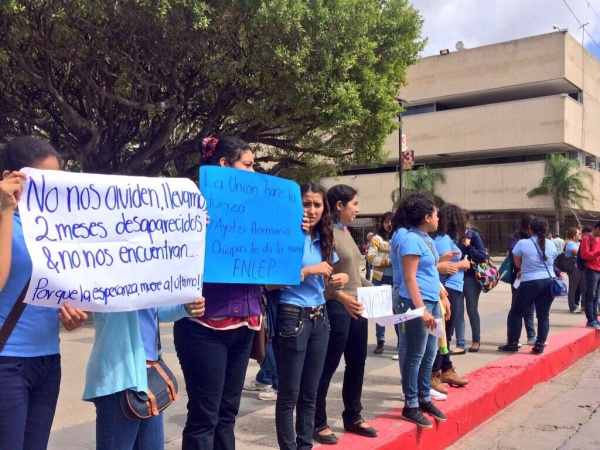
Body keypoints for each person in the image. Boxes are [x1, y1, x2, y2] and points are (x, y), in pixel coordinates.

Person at [173, 136, 262, 449]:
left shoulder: (257, 210)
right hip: (203, 326)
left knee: (227, 414)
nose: (253, 173)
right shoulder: (188, 205)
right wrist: (188, 228)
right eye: (247, 165)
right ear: (224, 164)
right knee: (204, 416)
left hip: (245, 325)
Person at [0, 136, 88, 449]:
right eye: (41, 180)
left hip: (48, 360)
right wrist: (4, 209)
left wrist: (72, 315)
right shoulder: (3, 218)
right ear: (12, 176)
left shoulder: (59, 228)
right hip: (7, 361)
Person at [267, 182, 347, 450]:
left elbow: (327, 280)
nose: (311, 210)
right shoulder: (285, 234)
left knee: (310, 393)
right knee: (289, 394)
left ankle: (305, 445)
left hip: (320, 317)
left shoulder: (323, 237)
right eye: (305, 203)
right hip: (292, 316)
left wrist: (339, 279)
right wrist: (308, 271)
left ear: (324, 209)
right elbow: (269, 284)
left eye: (317, 204)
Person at [84, 299, 204, 449]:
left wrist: (184, 308)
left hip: (149, 375)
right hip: (118, 377)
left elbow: (158, 310)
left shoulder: (149, 277)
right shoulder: (107, 276)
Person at [314, 184, 377, 444]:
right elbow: (321, 278)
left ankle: (353, 415)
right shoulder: (326, 232)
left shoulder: (345, 232)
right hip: (337, 308)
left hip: (357, 306)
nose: (358, 209)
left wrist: (379, 292)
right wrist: (341, 297)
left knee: (357, 364)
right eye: (355, 204)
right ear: (339, 205)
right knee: (327, 366)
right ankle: (317, 422)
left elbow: (354, 274)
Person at [397, 193, 449, 429]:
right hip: (417, 304)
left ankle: (423, 397)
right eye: (436, 214)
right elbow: (409, 277)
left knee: (430, 353)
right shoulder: (410, 239)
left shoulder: (425, 238)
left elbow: (430, 273)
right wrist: (421, 310)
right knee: (415, 355)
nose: (439, 218)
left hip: (430, 302)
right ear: (427, 217)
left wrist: (441, 298)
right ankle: (410, 403)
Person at [498, 216, 558, 354]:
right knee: (543, 315)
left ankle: (512, 343)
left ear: (530, 228)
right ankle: (539, 345)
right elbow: (552, 261)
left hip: (530, 281)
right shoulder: (551, 244)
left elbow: (517, 263)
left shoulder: (523, 243)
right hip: (549, 281)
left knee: (517, 312)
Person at [430, 204, 470, 396]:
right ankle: (436, 372)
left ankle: (445, 368)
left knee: (446, 333)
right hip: (447, 289)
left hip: (452, 287)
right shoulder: (443, 239)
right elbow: (443, 267)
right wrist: (462, 264)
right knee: (443, 333)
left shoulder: (447, 238)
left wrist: (462, 264)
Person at [503, 215, 538, 347]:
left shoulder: (536, 238)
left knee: (530, 307)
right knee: (516, 308)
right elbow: (513, 256)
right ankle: (512, 338)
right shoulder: (516, 237)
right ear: (528, 225)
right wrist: (519, 268)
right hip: (518, 276)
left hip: (531, 275)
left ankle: (531, 336)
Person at [454, 219, 487, 353]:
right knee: (458, 311)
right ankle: (460, 343)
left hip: (471, 278)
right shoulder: (450, 237)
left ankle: (476, 340)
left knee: (472, 310)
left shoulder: (473, 235)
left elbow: (482, 256)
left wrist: (468, 246)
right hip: (455, 277)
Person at [369, 212, 394, 355]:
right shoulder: (376, 239)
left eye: (391, 222)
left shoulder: (399, 237)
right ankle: (380, 340)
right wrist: (389, 261)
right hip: (380, 278)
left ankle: (400, 341)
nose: (389, 224)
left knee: (397, 310)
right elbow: (371, 258)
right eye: (386, 222)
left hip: (395, 279)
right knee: (380, 312)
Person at [579, 219, 600, 329]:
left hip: (599, 270)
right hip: (591, 270)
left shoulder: (599, 239)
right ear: (597, 228)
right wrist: (597, 253)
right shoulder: (586, 239)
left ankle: (595, 318)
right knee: (590, 295)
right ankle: (590, 319)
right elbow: (585, 255)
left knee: (596, 296)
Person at [564, 227, 583, 313]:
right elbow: (580, 253)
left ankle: (584, 306)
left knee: (584, 287)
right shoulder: (571, 244)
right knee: (573, 288)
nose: (580, 235)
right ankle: (572, 306)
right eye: (578, 233)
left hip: (580, 267)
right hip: (574, 268)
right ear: (573, 235)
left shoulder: (578, 243)